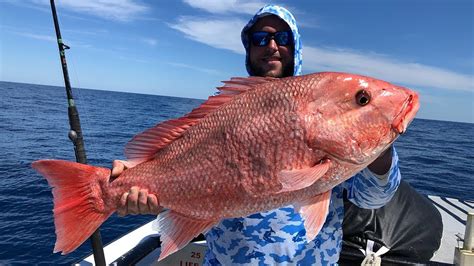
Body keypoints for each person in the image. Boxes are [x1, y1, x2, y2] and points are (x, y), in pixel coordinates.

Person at [112, 5, 401, 265]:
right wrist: (137, 183)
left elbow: (372, 198)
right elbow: (175, 171)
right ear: (248, 48)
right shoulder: (224, 114)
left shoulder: (327, 113)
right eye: (261, 39)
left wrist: (378, 143)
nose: (272, 46)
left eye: (283, 38)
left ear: (296, 46)